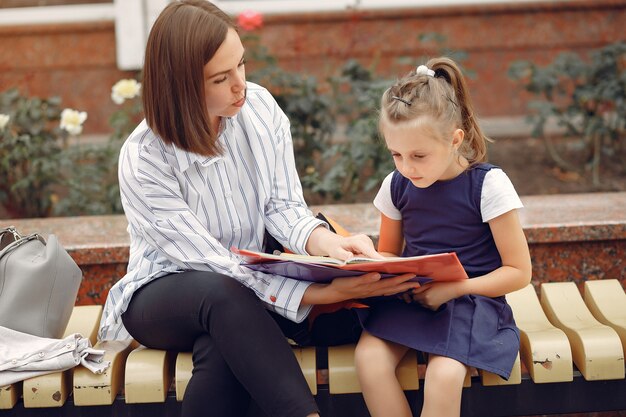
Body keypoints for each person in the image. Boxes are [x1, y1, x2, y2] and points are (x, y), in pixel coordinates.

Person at [97, 2, 419, 417]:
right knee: (223, 296)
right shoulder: (144, 158)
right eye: (220, 78)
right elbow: (212, 264)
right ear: (180, 86)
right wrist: (313, 293)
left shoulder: (261, 110)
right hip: (163, 294)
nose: (240, 86)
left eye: (241, 65)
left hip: (244, 296)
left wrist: (330, 244)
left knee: (224, 346)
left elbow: (283, 207)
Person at [353, 57, 532, 417]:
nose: (406, 167)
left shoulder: (488, 185)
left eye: (418, 155)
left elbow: (518, 271)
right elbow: (389, 252)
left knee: (444, 374)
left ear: (455, 140)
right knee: (368, 359)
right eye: (396, 155)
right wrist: (367, 260)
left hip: (473, 301)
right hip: (413, 298)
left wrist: (453, 290)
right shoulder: (396, 185)